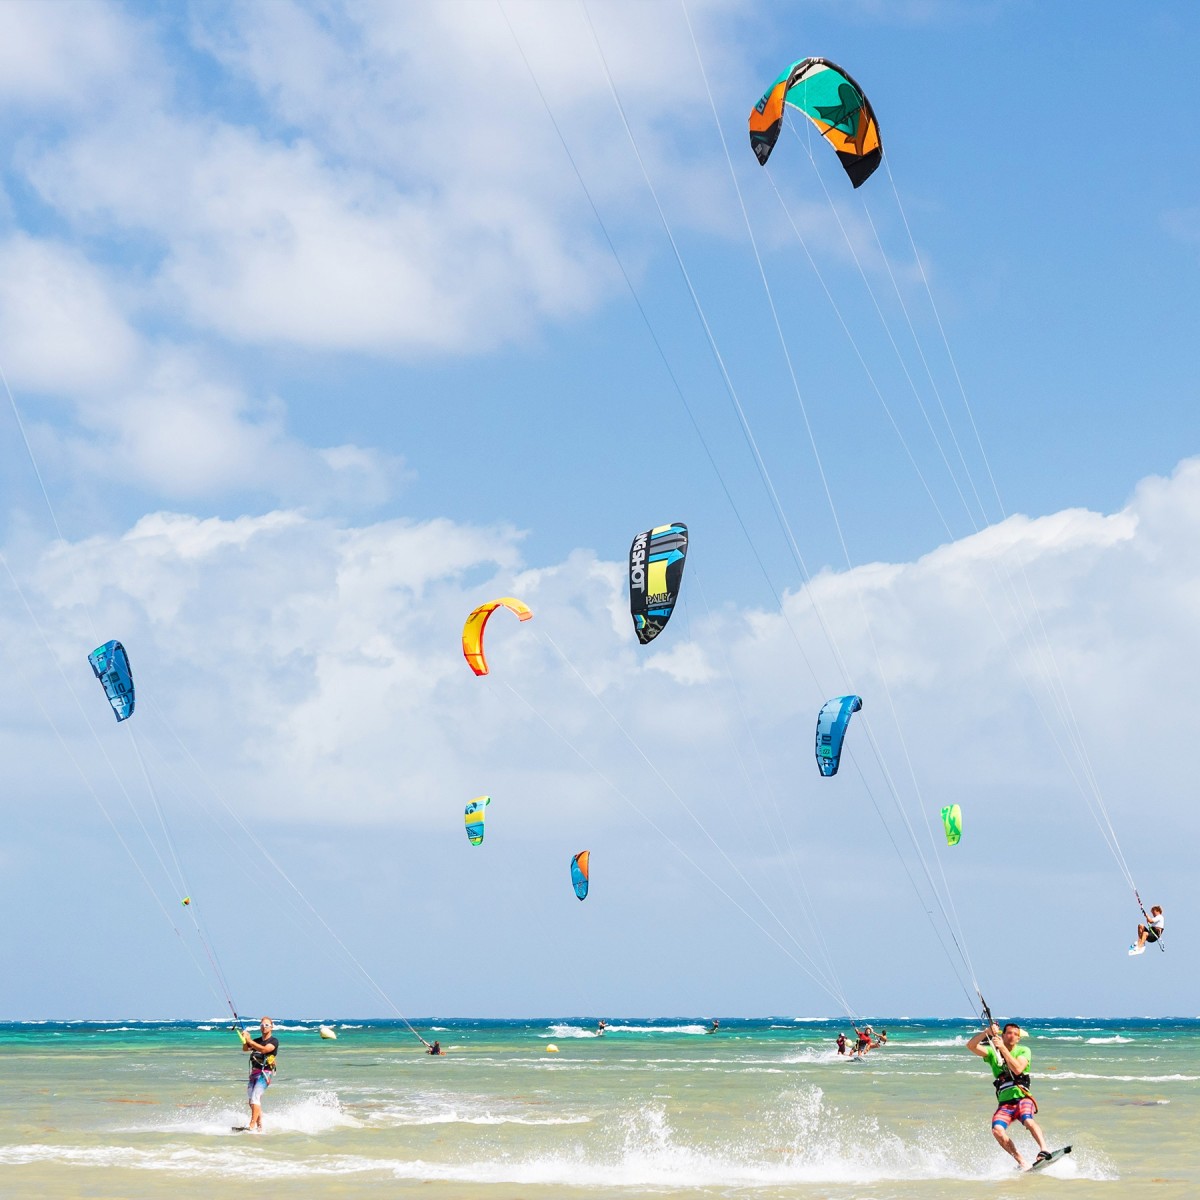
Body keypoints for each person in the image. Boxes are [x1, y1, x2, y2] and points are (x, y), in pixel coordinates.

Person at [967, 1021, 1051, 1170]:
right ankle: (1021, 1161)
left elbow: (1018, 1069)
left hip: (1022, 1098)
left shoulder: (1024, 1050)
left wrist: (1003, 1048)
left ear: (1018, 1039)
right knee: (997, 1130)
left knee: (1028, 1120)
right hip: (1005, 1104)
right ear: (1003, 1035)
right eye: (1009, 1033)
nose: (1012, 1036)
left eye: (1016, 1034)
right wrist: (986, 1032)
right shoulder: (993, 1052)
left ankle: (1044, 1150)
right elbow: (971, 1046)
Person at [239, 1016, 279, 1132]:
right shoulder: (256, 1040)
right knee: (252, 1100)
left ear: (271, 1027)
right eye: (262, 1025)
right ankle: (259, 1126)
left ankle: (251, 1125)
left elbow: (264, 1050)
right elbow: (245, 1049)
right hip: (254, 1073)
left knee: (256, 1097)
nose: (264, 1027)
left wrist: (250, 1040)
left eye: (266, 1025)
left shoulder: (274, 1041)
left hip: (265, 1073)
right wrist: (245, 1038)